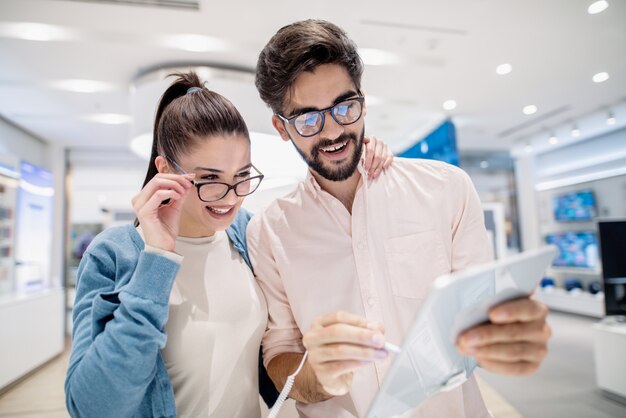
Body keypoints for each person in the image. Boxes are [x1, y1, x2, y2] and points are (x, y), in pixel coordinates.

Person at [248, 20, 552, 418]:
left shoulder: (446, 190)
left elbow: (481, 319)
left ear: (363, 101)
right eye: (307, 119)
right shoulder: (269, 231)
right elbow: (281, 354)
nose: (334, 130)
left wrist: (508, 337)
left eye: (345, 107)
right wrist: (318, 375)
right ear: (281, 128)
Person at [64, 71, 392, 418]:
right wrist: (158, 257)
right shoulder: (116, 254)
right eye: (209, 179)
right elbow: (91, 407)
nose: (230, 196)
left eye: (241, 176)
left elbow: (271, 360)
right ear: (165, 169)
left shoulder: (246, 232)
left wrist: (360, 161)